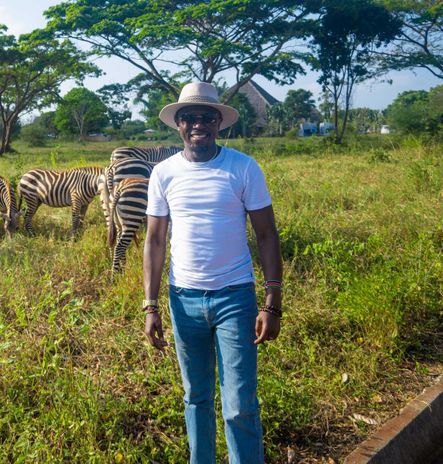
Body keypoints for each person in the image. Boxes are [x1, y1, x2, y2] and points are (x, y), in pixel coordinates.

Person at [142, 81, 283, 463]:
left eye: (207, 117)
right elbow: (154, 240)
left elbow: (267, 234)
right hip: (183, 300)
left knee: (239, 405)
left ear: (219, 122)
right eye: (190, 117)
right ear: (179, 125)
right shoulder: (164, 173)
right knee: (195, 397)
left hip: (235, 298)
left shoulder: (243, 167)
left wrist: (272, 303)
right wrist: (150, 305)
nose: (198, 124)